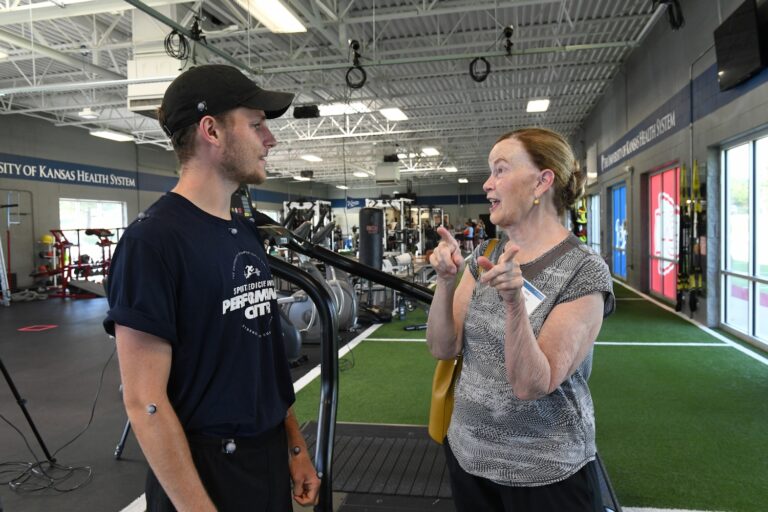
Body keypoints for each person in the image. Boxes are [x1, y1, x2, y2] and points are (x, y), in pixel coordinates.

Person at [103, 64, 320, 512]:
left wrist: (293, 445)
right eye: (257, 124)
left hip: (265, 461)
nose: (270, 139)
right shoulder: (152, 241)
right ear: (211, 131)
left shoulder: (243, 233)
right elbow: (144, 400)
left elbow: (262, 358)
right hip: (202, 474)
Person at [426, 127, 614, 511]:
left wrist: (514, 303)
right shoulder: (487, 252)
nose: (486, 183)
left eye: (500, 170)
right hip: (469, 456)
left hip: (546, 473)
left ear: (542, 181)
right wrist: (445, 284)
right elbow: (442, 347)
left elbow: (532, 383)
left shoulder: (584, 271)